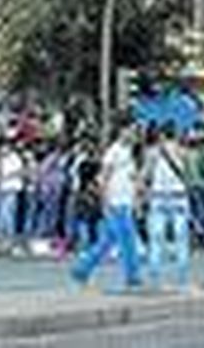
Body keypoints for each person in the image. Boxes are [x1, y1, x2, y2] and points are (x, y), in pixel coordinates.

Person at [70, 124, 143, 292]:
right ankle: (132, 276)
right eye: (130, 130)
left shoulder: (128, 152)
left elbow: (131, 177)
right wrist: (105, 202)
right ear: (121, 131)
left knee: (108, 242)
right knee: (127, 239)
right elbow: (104, 177)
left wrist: (136, 197)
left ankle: (82, 269)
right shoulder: (113, 152)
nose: (133, 134)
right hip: (115, 202)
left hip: (125, 201)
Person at [144, 124, 191, 291]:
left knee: (156, 236)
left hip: (158, 196)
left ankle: (155, 274)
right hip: (179, 196)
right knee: (181, 236)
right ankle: (182, 275)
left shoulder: (152, 153)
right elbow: (187, 174)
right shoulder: (182, 151)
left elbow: (147, 175)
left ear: (162, 135)